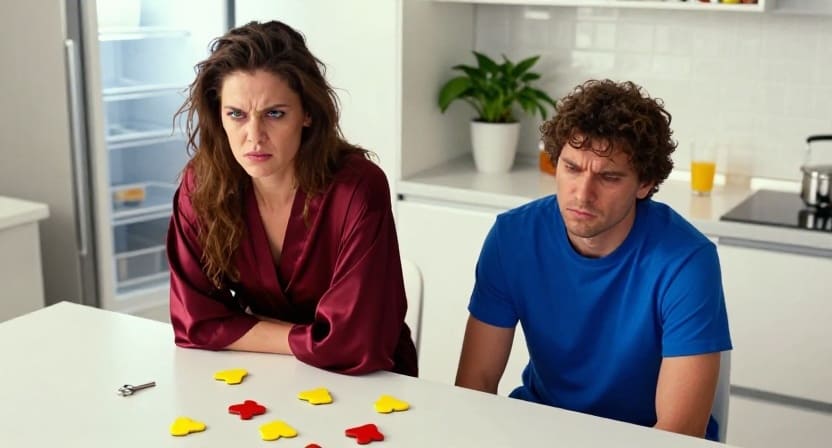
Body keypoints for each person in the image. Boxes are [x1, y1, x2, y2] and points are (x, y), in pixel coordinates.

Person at [455, 79, 731, 440]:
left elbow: (679, 432)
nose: (582, 194)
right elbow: (475, 384)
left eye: (609, 177)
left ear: (644, 184)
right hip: (541, 427)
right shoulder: (512, 238)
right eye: (571, 168)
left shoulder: (686, 262)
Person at [167, 20, 417, 377]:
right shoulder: (202, 184)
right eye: (236, 114)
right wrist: (311, 337)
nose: (254, 136)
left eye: (274, 114)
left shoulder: (357, 189)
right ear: (218, 116)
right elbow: (195, 323)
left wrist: (244, 326)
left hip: (367, 381)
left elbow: (356, 343)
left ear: (307, 114)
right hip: (262, 372)